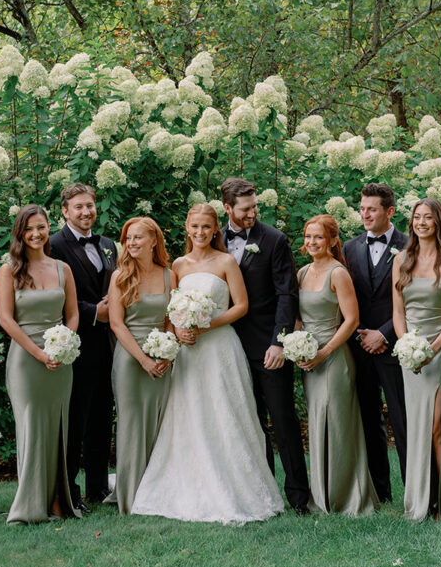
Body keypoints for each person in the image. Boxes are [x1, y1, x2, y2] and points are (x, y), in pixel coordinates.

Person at [132, 204, 284, 524]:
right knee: (190, 414)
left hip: (219, 347)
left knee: (225, 412)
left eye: (206, 227)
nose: (200, 233)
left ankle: (236, 486)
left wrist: (206, 325)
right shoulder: (178, 264)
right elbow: (172, 308)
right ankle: (190, 482)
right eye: (194, 226)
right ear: (186, 227)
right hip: (189, 351)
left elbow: (241, 306)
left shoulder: (226, 261)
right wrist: (180, 331)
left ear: (216, 229)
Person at [221, 178, 310, 515]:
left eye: (255, 206)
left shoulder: (273, 240)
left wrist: (279, 342)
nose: (252, 213)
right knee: (248, 422)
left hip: (268, 347)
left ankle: (300, 497)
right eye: (245, 209)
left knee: (283, 420)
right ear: (228, 208)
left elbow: (287, 293)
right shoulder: (213, 239)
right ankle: (262, 492)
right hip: (226, 348)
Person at [0, 205, 80, 524]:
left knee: (58, 426)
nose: (36, 234)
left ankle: (58, 500)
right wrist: (39, 353)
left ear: (49, 229)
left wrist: (63, 345)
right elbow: (6, 319)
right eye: (29, 229)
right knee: (31, 426)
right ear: (20, 233)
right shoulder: (9, 270)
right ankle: (31, 504)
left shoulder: (62, 269)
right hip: (25, 359)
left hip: (61, 359)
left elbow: (72, 314)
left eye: (41, 227)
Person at [392, 197, 441, 522]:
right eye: (416, 217)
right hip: (412, 356)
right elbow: (397, 312)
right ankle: (421, 501)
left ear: (439, 222)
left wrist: (432, 348)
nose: (421, 222)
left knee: (438, 427)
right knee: (419, 428)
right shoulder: (401, 260)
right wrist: (406, 345)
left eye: (428, 217)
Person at [295, 215, 378, 516]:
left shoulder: (338, 272)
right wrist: (298, 345)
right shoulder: (302, 273)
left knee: (338, 426)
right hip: (309, 360)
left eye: (318, 237)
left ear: (332, 240)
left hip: (334, 359)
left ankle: (345, 497)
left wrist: (324, 351)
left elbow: (352, 320)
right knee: (318, 424)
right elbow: (299, 316)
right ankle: (322, 496)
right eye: (308, 237)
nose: (312, 242)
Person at [49, 182, 117, 513]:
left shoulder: (107, 245)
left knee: (103, 415)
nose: (86, 211)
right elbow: (52, 296)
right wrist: (94, 312)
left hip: (108, 344)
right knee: (75, 418)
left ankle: (97, 485)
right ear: (64, 211)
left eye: (89, 205)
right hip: (75, 342)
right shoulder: (53, 246)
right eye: (78, 207)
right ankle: (68, 488)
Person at [343, 182, 408, 503]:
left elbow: (413, 299)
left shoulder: (411, 246)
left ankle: (415, 490)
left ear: (389, 211)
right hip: (359, 346)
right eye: (362, 208)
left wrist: (383, 334)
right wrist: (363, 335)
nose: (364, 214)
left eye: (372, 209)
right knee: (370, 420)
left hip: (395, 345)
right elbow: (345, 299)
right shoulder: (349, 247)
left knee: (403, 418)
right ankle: (381, 493)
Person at [108, 217, 173, 513]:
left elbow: (172, 320)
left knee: (159, 425)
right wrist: (144, 359)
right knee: (132, 425)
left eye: (137, 238)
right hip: (130, 359)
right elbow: (117, 324)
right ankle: (130, 495)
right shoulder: (120, 276)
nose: (131, 244)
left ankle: (156, 493)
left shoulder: (170, 276)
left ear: (153, 241)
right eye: (128, 239)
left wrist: (167, 354)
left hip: (162, 360)